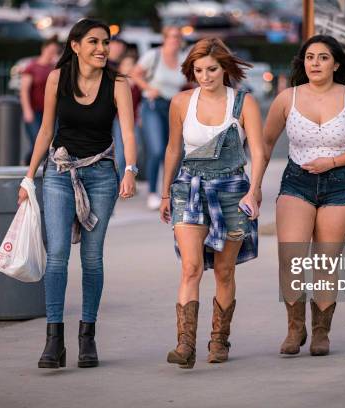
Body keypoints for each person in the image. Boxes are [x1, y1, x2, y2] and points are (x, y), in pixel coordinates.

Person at [18, 19, 138, 369]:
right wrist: (28, 179)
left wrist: (130, 170)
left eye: (105, 42)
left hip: (101, 174)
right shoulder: (58, 78)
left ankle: (88, 337)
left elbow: (128, 133)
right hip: (59, 172)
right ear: (75, 46)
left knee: (91, 257)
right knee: (56, 256)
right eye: (94, 42)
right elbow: (45, 131)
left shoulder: (118, 83)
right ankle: (54, 340)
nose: (102, 49)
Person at [263, 35, 345, 356]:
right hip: (297, 181)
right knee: (291, 257)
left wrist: (334, 161)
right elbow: (266, 143)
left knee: (325, 260)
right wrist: (254, 184)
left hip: (341, 183)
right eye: (310, 57)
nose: (315, 63)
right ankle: (294, 327)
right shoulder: (287, 98)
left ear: (336, 64)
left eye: (323, 57)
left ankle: (321, 332)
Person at [159, 38, 267, 368]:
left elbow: (259, 152)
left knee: (223, 270)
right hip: (188, 188)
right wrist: (165, 192)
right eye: (198, 70)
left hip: (233, 189)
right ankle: (185, 345)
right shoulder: (180, 102)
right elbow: (174, 149)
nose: (204, 76)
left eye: (211, 69)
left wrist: (255, 190)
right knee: (190, 267)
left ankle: (219, 340)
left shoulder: (243, 103)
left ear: (224, 69)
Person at [132, 26, 187, 210]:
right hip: (153, 105)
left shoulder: (183, 58)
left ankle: (171, 191)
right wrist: (148, 88)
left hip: (174, 107)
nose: (175, 40)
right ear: (164, 38)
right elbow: (135, 74)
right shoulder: (153, 55)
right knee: (156, 149)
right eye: (171, 36)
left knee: (175, 151)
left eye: (178, 36)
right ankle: (153, 193)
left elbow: (190, 80)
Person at [20, 36, 60, 165]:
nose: (52, 54)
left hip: (51, 112)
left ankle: (39, 168)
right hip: (35, 111)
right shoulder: (32, 67)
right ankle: (28, 164)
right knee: (37, 141)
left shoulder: (55, 68)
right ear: (44, 49)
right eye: (51, 50)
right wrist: (27, 110)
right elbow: (24, 90)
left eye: (55, 51)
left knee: (49, 144)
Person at [113, 53, 143, 175]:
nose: (129, 67)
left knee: (135, 150)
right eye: (126, 64)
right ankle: (119, 181)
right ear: (120, 67)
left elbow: (142, 102)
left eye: (132, 64)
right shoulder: (118, 82)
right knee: (120, 152)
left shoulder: (138, 83)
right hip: (119, 120)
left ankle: (129, 178)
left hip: (135, 120)